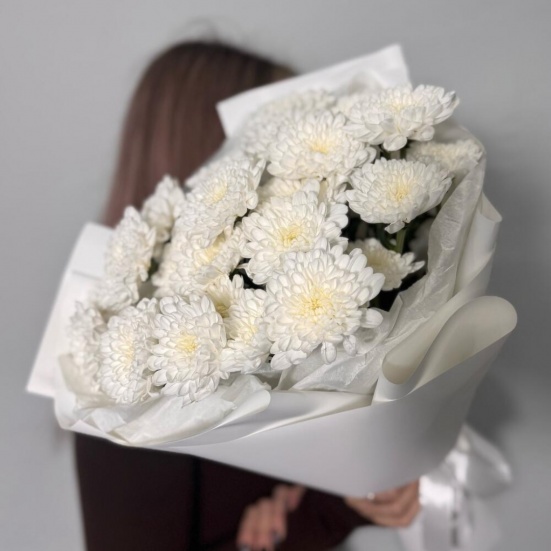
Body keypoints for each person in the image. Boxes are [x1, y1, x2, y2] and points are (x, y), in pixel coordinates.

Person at [76, 40, 420, 551]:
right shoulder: (118, 379)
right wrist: (320, 515)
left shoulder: (283, 312)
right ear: (214, 157)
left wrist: (383, 478)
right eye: (274, 137)